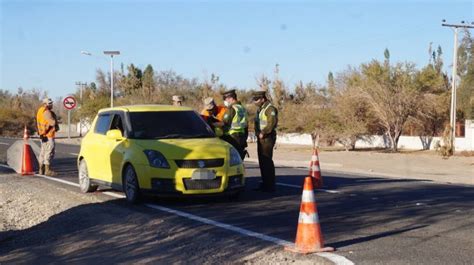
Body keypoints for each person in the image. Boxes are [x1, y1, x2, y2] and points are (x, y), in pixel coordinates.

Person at [253, 91, 278, 192]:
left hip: (267, 138)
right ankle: (265, 183)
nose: (255, 102)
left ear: (263, 99)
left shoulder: (270, 109)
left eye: (257, 100)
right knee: (262, 161)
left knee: (267, 160)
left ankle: (270, 184)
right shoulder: (261, 109)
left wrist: (263, 132)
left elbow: (271, 123)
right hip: (261, 137)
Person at [221, 89, 248, 160]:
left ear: (231, 98)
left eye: (225, 99)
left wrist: (213, 124)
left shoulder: (232, 108)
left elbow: (225, 122)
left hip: (232, 137)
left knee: (232, 160)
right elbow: (245, 124)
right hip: (242, 136)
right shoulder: (242, 108)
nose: (225, 101)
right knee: (239, 159)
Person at [36, 98, 59, 176]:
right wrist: (55, 121)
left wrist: (41, 133)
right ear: (45, 104)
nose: (51, 104)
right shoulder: (47, 112)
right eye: (49, 103)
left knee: (43, 152)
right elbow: (52, 123)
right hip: (48, 135)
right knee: (49, 152)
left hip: (42, 135)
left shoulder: (40, 111)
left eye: (51, 103)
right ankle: (47, 170)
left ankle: (41, 169)